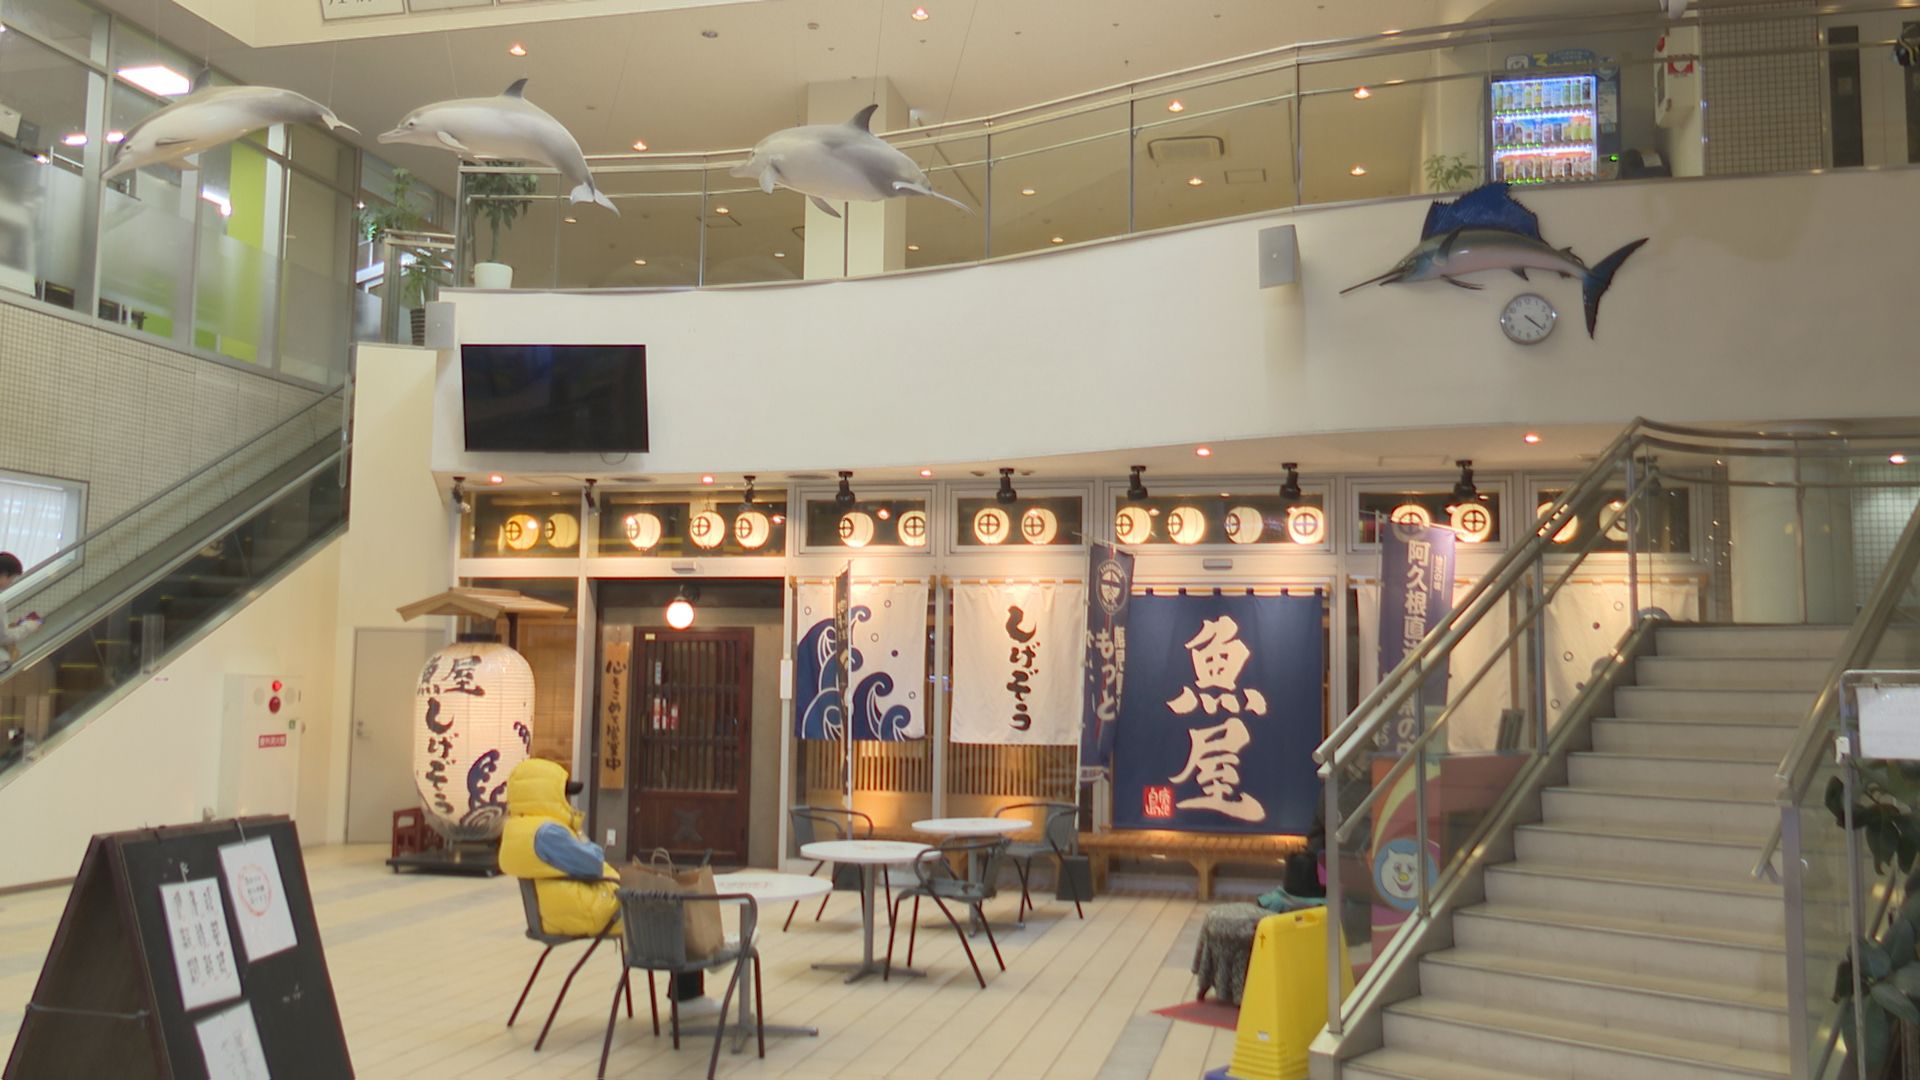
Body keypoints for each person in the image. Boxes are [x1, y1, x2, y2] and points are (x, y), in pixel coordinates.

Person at [497, 757, 621, 935]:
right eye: (564, 795)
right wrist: (579, 832)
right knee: (646, 912)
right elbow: (594, 864)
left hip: (551, 914)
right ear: (549, 795)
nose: (568, 801)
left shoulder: (517, 828)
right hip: (585, 912)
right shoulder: (549, 833)